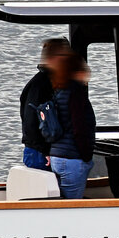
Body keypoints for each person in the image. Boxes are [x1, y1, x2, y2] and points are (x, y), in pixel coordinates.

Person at [48, 52, 97, 199]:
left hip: (57, 155)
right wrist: (86, 156)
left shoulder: (58, 91)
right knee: (72, 206)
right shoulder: (76, 92)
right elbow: (79, 127)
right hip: (72, 159)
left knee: (63, 204)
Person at [19, 37, 71, 171]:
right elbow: (31, 122)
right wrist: (45, 151)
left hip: (43, 151)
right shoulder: (41, 85)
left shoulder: (50, 82)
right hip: (39, 153)